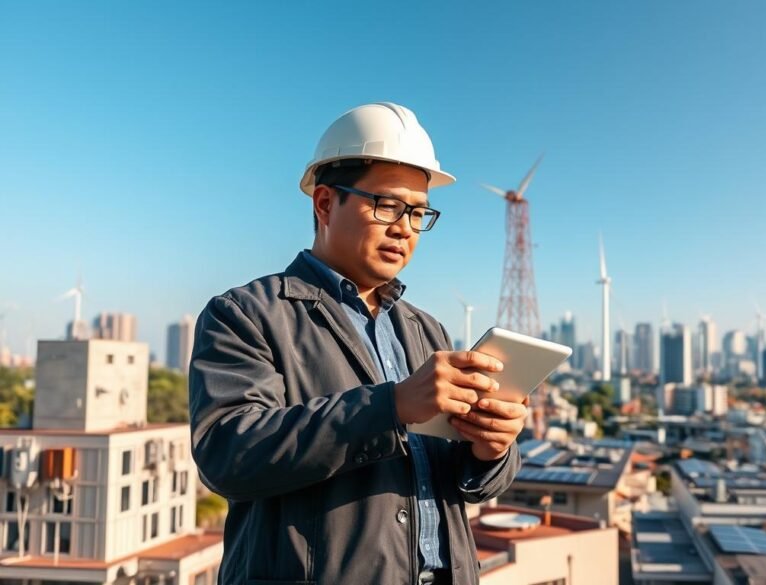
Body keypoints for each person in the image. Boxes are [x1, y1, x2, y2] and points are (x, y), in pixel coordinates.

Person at [189, 103, 528, 585]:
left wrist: (491, 449)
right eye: (387, 205)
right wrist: (389, 406)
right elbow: (227, 455)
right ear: (325, 203)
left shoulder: (426, 330)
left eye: (418, 212)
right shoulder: (245, 314)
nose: (405, 228)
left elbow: (462, 483)